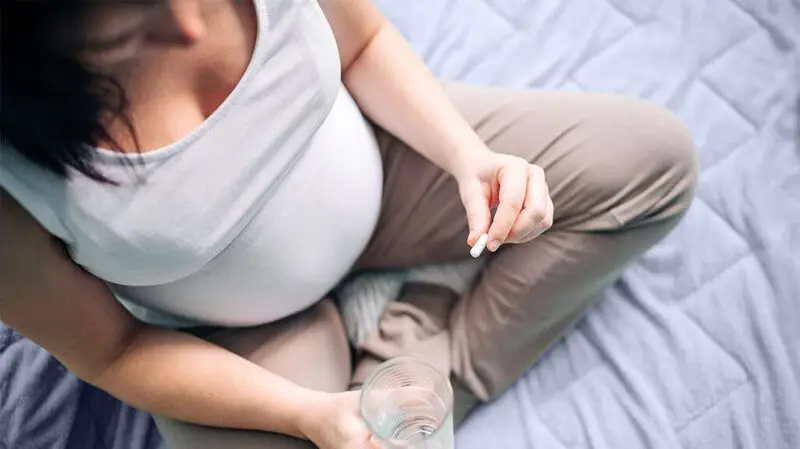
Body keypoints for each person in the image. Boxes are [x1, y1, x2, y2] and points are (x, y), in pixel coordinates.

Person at [0, 0, 698, 448]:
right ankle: (416, 331)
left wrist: (470, 158)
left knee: (654, 161)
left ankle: (427, 343)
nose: (189, 23)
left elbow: (361, 44)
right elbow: (112, 351)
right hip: (234, 336)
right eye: (129, 18)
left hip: (389, 171)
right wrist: (304, 414)